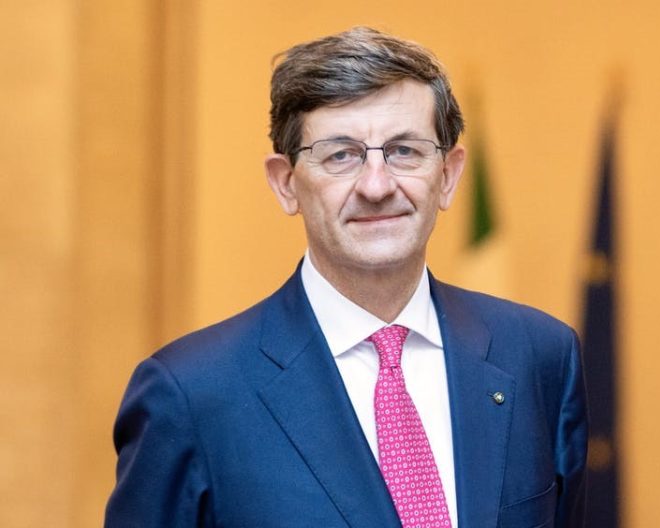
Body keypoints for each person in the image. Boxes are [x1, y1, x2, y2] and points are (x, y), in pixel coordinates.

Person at [105, 26, 587, 528]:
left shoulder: (539, 356)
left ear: (447, 175)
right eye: (340, 155)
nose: (377, 186)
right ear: (286, 184)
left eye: (405, 150)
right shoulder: (191, 393)